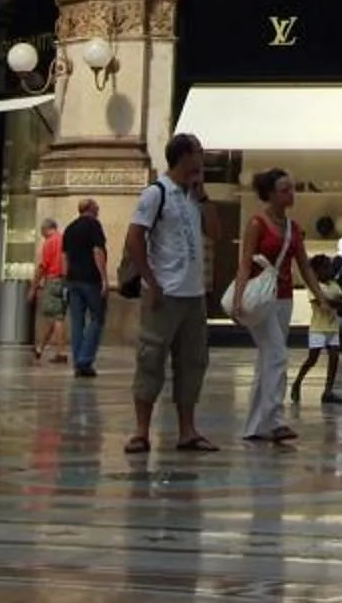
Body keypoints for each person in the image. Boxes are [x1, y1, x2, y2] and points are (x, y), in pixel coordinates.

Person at [123, 132, 215, 455]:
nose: (203, 158)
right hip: (165, 293)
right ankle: (141, 431)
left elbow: (216, 232)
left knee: (192, 362)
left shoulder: (193, 195)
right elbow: (134, 238)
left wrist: (203, 197)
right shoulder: (156, 193)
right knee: (151, 359)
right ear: (184, 156)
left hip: (193, 294)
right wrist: (151, 279)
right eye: (199, 152)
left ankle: (187, 430)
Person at [235, 167, 315, 444]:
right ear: (270, 194)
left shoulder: (294, 228)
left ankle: (255, 426)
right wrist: (238, 300)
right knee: (277, 354)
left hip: (284, 298)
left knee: (267, 359)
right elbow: (245, 262)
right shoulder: (257, 223)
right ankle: (275, 419)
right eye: (285, 190)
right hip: (261, 298)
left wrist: (319, 295)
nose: (291, 194)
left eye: (292, 188)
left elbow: (304, 265)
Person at [59, 196, 109, 379]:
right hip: (90, 280)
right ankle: (84, 360)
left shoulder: (70, 228)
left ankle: (78, 362)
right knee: (97, 318)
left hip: (72, 280)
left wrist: (65, 278)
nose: (98, 210)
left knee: (77, 322)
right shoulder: (94, 226)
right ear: (91, 209)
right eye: (97, 207)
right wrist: (104, 278)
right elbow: (97, 251)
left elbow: (63, 256)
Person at [293, 256, 342, 404]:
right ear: (316, 272)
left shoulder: (334, 285)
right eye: (325, 268)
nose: (329, 271)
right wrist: (332, 301)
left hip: (333, 327)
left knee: (334, 357)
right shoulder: (313, 286)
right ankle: (297, 382)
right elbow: (321, 301)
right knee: (312, 359)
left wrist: (330, 301)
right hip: (318, 328)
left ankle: (328, 391)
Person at [31, 218, 66, 362]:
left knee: (57, 318)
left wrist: (33, 287)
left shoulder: (49, 242)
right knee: (54, 316)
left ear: (46, 229)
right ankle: (40, 348)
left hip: (53, 280)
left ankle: (61, 352)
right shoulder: (64, 239)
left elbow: (42, 266)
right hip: (65, 281)